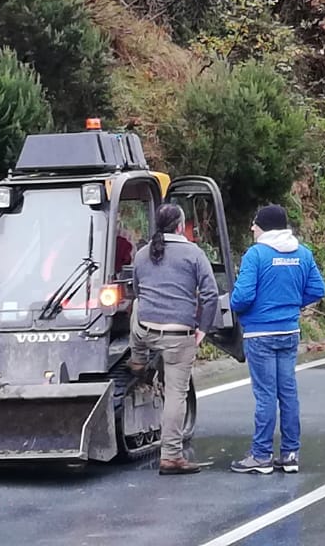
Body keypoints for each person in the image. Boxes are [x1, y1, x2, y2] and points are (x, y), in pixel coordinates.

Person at [228, 204, 325, 475]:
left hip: (260, 333)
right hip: (289, 332)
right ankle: (291, 453)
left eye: (255, 224)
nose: (252, 228)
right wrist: (292, 304)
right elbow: (318, 288)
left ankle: (261, 455)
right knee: (288, 393)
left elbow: (242, 297)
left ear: (264, 227)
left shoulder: (256, 255)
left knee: (265, 395)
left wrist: (235, 305)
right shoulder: (302, 254)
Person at [130, 202, 219, 476]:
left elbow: (136, 289)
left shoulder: (142, 253)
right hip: (177, 336)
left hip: (145, 330)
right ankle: (171, 457)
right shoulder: (193, 253)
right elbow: (210, 294)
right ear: (181, 227)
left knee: (136, 306)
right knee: (175, 395)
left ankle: (137, 360)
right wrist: (202, 328)